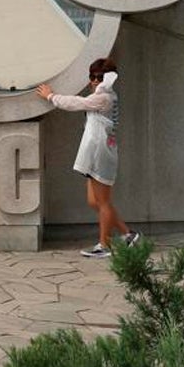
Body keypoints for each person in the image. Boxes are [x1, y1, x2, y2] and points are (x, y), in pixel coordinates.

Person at [37, 58, 141, 258]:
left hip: (101, 152)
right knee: (94, 201)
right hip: (97, 151)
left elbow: (77, 103)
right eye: (92, 76)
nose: (94, 81)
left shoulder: (105, 97)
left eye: (99, 77)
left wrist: (50, 96)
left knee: (102, 202)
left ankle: (104, 245)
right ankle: (128, 234)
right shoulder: (102, 96)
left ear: (108, 78)